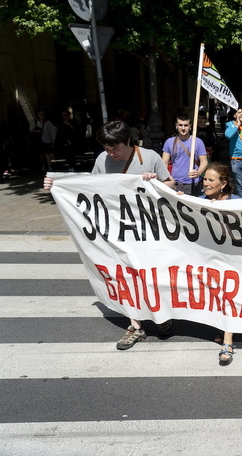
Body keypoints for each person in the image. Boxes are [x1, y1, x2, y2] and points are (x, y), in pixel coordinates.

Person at [44, 120, 175, 350]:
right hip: (117, 231)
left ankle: (162, 317)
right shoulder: (102, 160)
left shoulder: (150, 157)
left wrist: (154, 183)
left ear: (128, 141)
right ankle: (136, 325)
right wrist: (57, 184)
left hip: (148, 230)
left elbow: (171, 184)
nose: (111, 153)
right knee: (125, 276)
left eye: (115, 148)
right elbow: (90, 186)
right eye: (106, 148)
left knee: (151, 275)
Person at [198, 162, 240, 364]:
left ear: (223, 184)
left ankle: (228, 340)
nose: (205, 183)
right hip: (208, 261)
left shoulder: (240, 202)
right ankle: (220, 327)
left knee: (228, 295)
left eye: (210, 180)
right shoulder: (196, 202)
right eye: (205, 179)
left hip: (234, 261)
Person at [162, 114, 208, 196]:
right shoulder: (169, 142)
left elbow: (204, 162)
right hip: (175, 182)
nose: (183, 128)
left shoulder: (198, 142)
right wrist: (166, 178)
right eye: (180, 125)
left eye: (186, 125)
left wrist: (198, 172)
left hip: (192, 182)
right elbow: (164, 163)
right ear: (176, 126)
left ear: (190, 126)